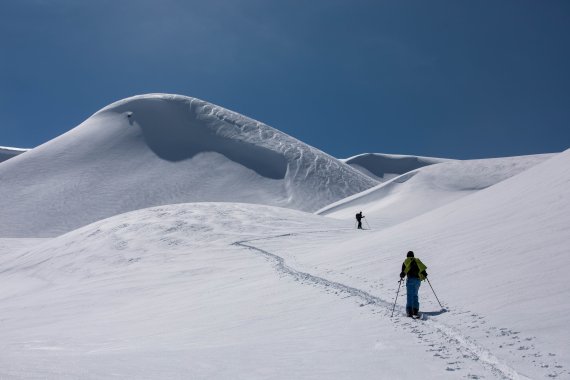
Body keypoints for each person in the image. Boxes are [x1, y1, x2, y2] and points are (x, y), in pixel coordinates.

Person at [399, 251, 428, 317]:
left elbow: (403, 272)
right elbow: (423, 270)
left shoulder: (406, 262)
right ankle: (415, 309)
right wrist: (424, 274)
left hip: (410, 280)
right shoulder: (417, 261)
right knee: (415, 294)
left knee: (410, 295)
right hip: (418, 280)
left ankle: (409, 311)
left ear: (407, 256)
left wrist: (401, 276)